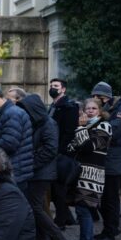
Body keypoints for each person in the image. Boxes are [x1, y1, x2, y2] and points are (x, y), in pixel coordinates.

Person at [17, 94, 69, 240]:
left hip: (42, 173)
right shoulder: (38, 123)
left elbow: (50, 150)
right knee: (34, 209)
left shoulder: (48, 124)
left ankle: (59, 239)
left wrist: (31, 163)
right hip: (36, 172)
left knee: (36, 208)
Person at [66, 98, 112, 240]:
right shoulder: (87, 127)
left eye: (94, 108)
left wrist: (80, 128)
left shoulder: (104, 126)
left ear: (100, 110)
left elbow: (87, 147)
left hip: (92, 175)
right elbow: (70, 147)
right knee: (83, 208)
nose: (90, 111)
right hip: (80, 173)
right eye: (88, 108)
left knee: (84, 209)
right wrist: (82, 131)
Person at [91, 82, 121, 240]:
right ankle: (110, 229)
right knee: (104, 198)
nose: (94, 100)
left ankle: (110, 233)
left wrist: (93, 127)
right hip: (106, 160)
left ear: (104, 96)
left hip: (113, 162)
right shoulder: (109, 109)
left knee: (111, 199)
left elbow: (111, 132)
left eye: (96, 96)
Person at [48, 78, 79, 229]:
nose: (52, 88)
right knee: (55, 189)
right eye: (51, 86)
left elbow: (68, 132)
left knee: (59, 189)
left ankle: (61, 221)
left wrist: (59, 151)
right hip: (54, 152)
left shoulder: (69, 107)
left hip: (61, 154)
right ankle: (66, 217)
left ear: (63, 89)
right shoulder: (53, 106)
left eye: (55, 86)